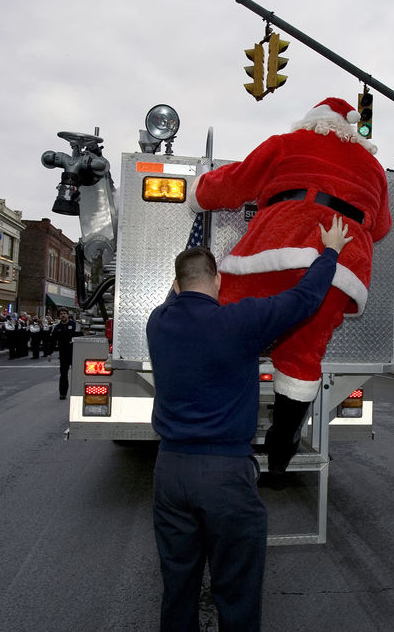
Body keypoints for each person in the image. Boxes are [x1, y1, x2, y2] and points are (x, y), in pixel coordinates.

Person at [147, 215, 350, 632]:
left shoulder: (158, 323)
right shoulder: (239, 322)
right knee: (236, 589)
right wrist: (330, 251)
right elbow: (305, 299)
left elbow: (176, 297)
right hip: (224, 474)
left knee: (178, 585)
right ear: (219, 282)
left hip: (170, 471)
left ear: (177, 285)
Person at [187, 97, 391, 475]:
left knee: (228, 323)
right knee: (304, 350)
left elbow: (234, 184)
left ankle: (223, 426)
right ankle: (283, 441)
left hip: (279, 247)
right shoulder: (375, 168)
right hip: (342, 264)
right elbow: (380, 228)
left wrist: (197, 194)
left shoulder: (287, 143)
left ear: (312, 121)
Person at [49, 309, 78, 400]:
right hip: (63, 354)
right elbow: (53, 341)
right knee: (63, 375)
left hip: (75, 353)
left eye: (64, 313)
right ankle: (62, 393)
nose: (63, 315)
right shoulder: (57, 327)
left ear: (68, 315)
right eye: (61, 314)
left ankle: (78, 393)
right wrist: (49, 353)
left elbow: (81, 335)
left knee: (77, 374)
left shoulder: (74, 325)